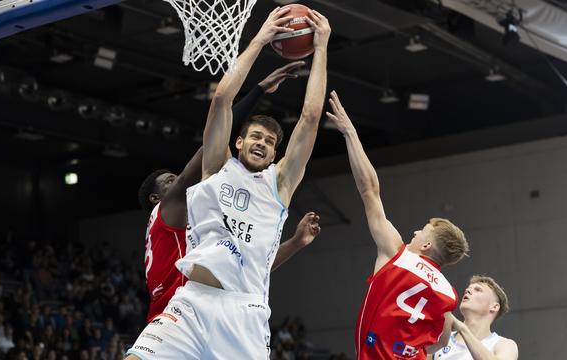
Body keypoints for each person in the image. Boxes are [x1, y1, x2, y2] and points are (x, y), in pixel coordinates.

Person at [126, 5, 330, 359]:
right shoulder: (216, 168)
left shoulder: (280, 183)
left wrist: (322, 47)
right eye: (255, 136)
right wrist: (261, 39)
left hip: (244, 314)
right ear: (238, 141)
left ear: (275, 152)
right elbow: (222, 99)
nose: (261, 143)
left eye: (269, 141)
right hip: (191, 302)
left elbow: (311, 117)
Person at [137, 61, 310, 322]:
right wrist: (259, 91)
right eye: (170, 181)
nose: (180, 181)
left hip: (182, 315)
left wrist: (295, 243)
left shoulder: (188, 229)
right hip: (181, 317)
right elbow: (214, 133)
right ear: (156, 198)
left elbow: (253, 268)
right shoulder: (169, 207)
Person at [324, 91, 469, 360]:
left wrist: (350, 134)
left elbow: (370, 191)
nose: (414, 231)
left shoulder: (397, 255)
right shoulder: (446, 294)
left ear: (426, 244)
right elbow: (439, 342)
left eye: (421, 230)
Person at [431, 275, 518, 360]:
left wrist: (463, 329)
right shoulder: (441, 338)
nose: (467, 291)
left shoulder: (504, 344)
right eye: (468, 289)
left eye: (478, 290)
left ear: (494, 307)